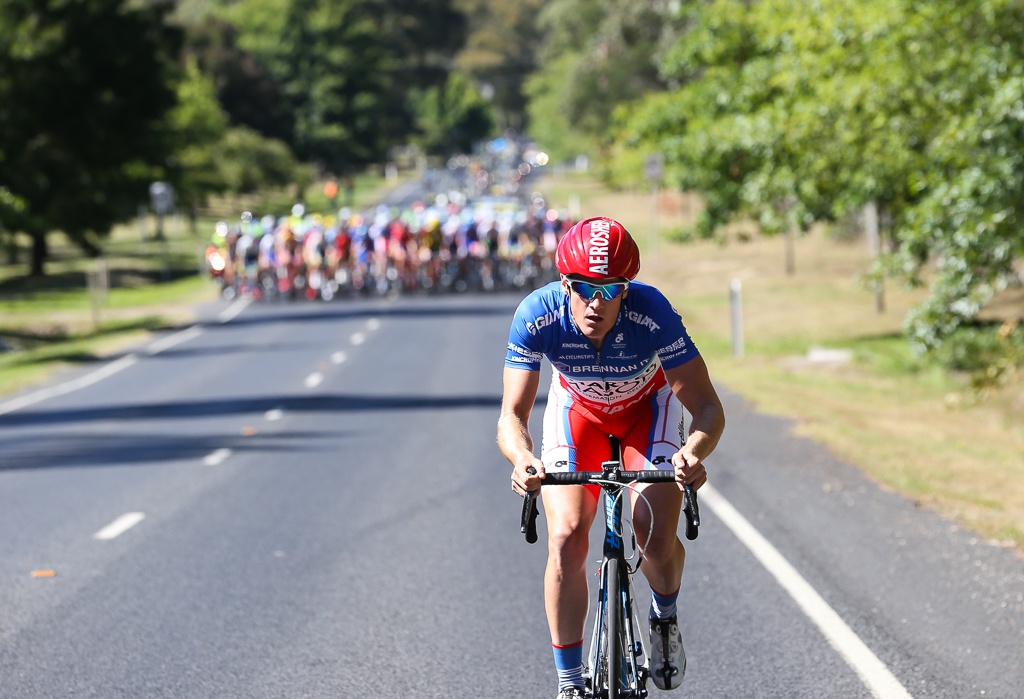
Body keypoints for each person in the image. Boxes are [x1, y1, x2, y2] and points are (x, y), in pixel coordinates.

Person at [497, 216, 725, 699]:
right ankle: (569, 681)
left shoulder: (653, 312)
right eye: (583, 289)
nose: (596, 304)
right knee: (565, 535)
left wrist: (692, 453)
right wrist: (521, 458)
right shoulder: (536, 315)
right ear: (565, 283)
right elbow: (511, 415)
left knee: (655, 535)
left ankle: (664, 618)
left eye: (611, 290)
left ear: (628, 288)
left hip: (649, 410)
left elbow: (707, 407)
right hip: (577, 413)